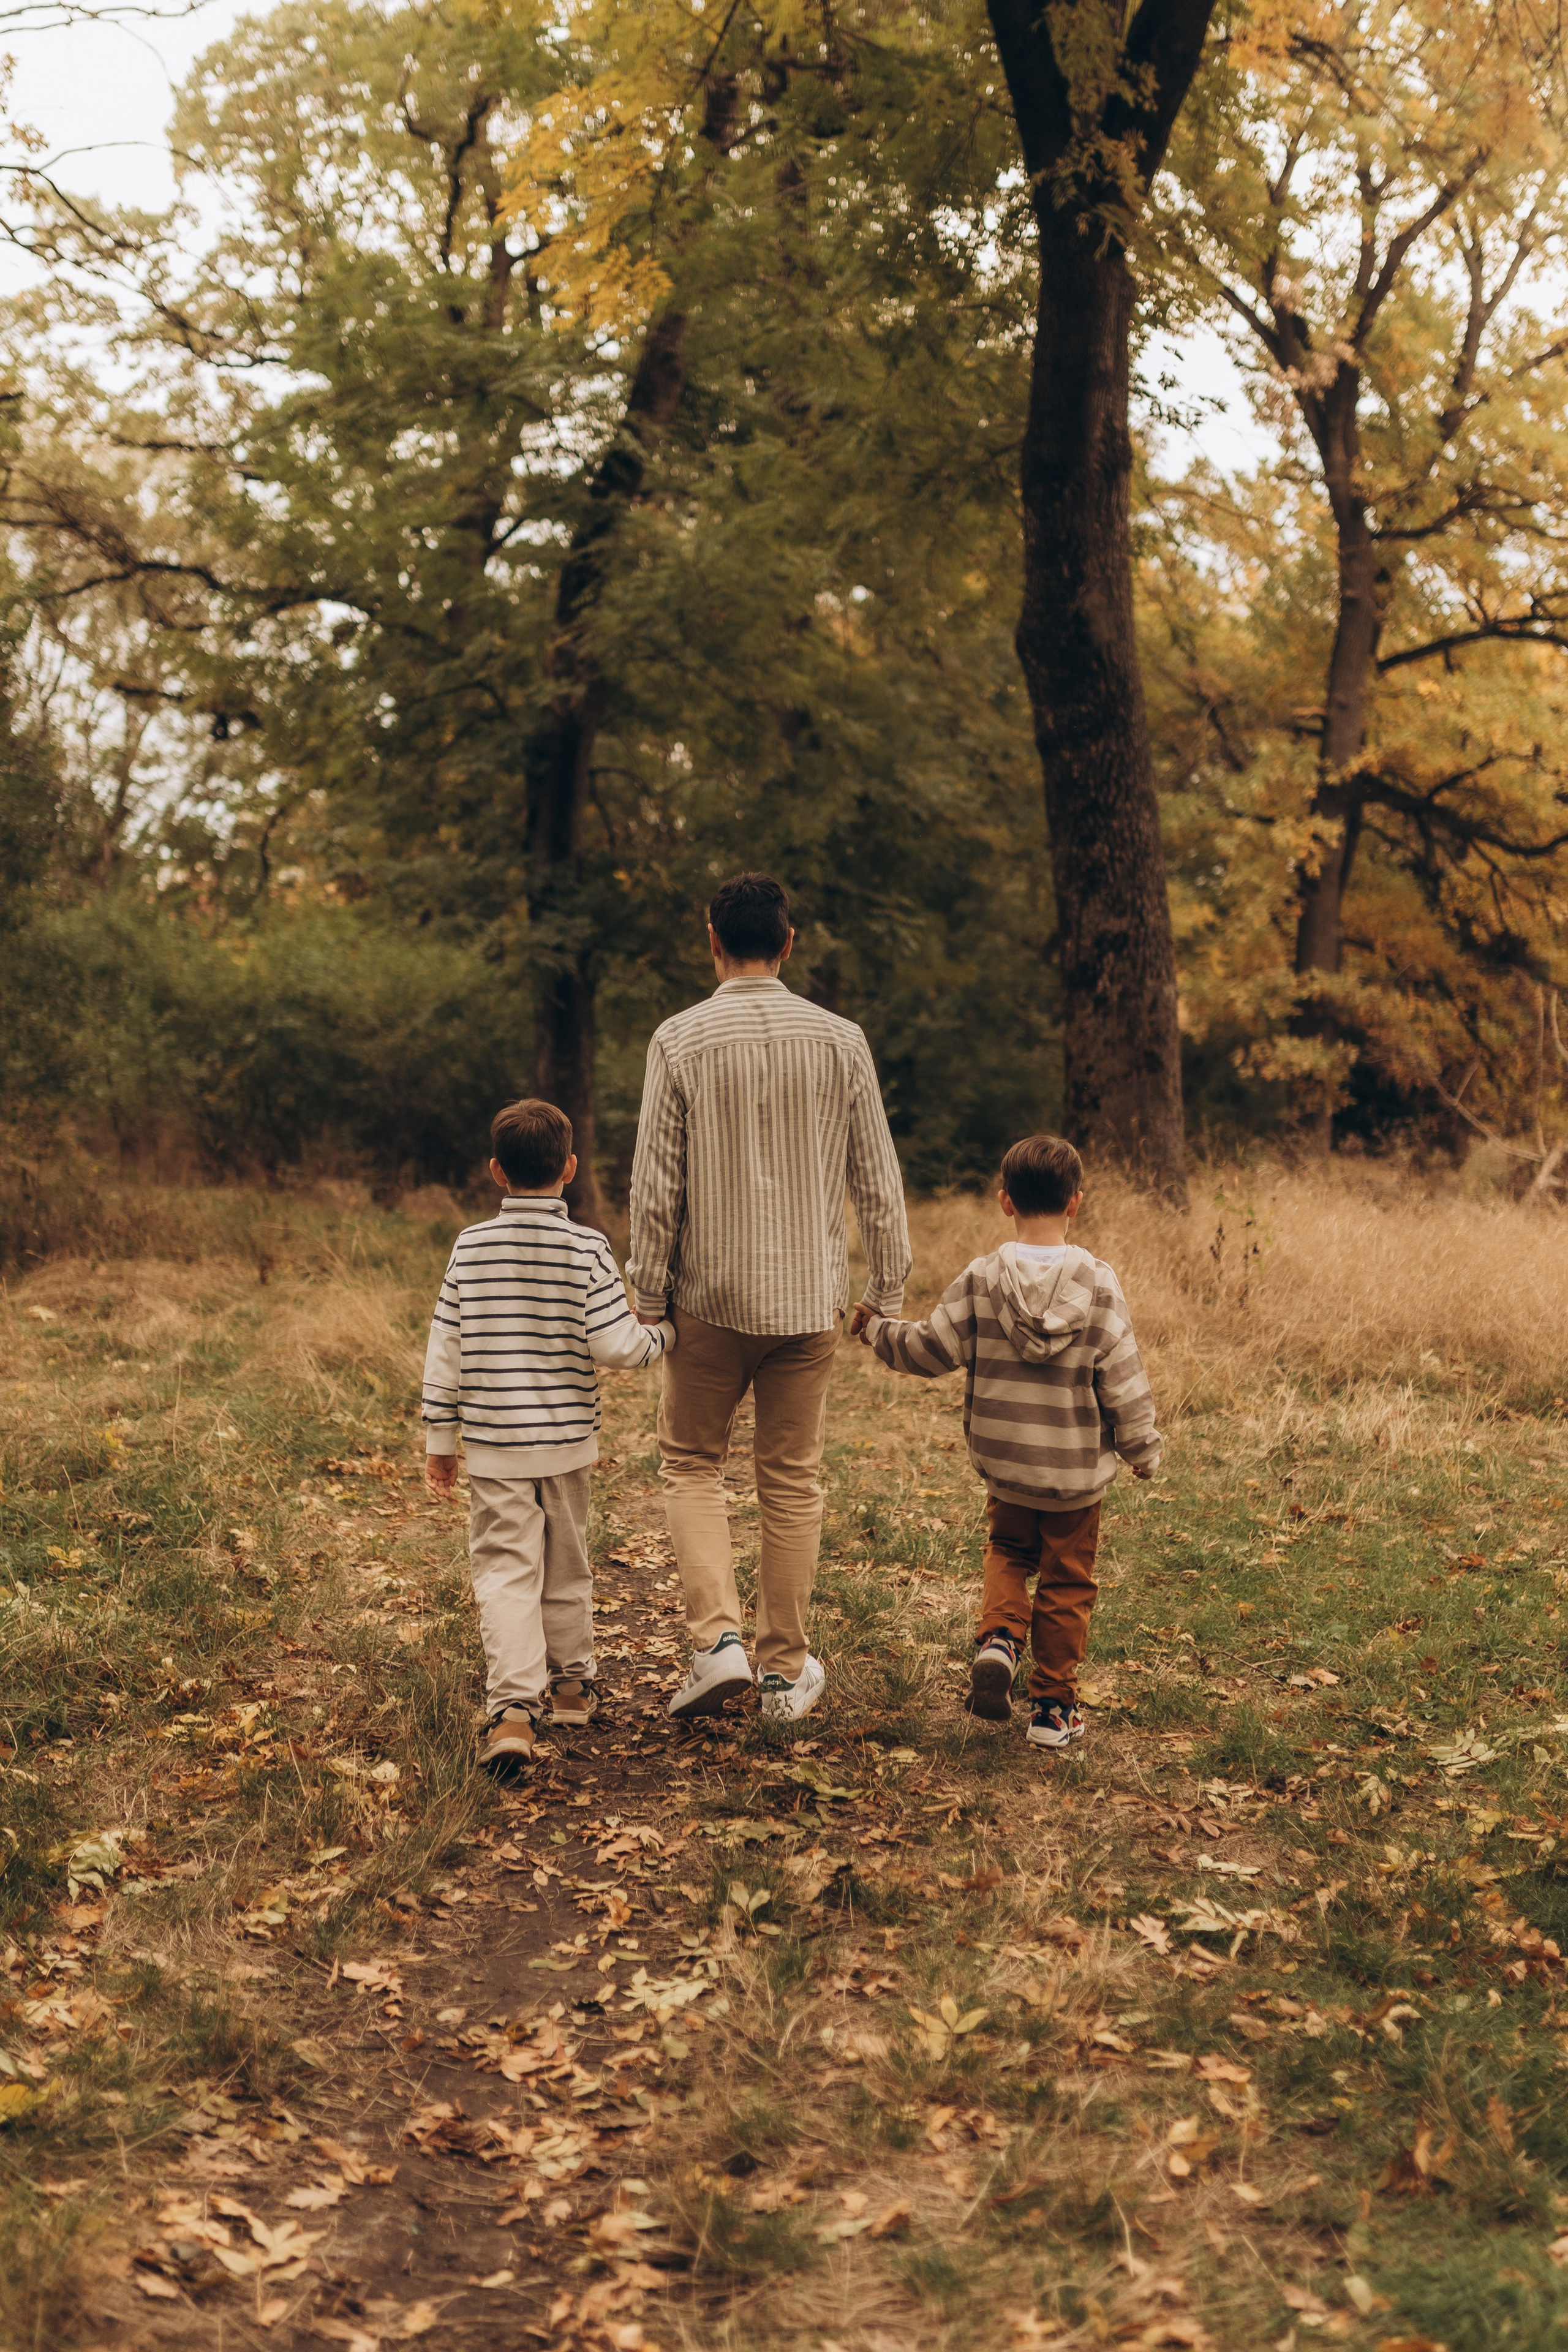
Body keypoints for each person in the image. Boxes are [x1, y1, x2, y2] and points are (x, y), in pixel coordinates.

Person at [628, 871, 911, 1723]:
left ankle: (717, 1644)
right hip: (807, 1302)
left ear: (711, 940)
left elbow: (655, 1186)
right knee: (790, 1479)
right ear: (788, 944)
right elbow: (878, 1179)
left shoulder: (679, 1039)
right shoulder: (840, 1040)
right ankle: (784, 1676)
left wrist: (648, 1296)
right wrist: (884, 1293)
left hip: (706, 1300)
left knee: (690, 1464)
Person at [851, 1134, 1160, 1749]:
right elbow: (1122, 1377)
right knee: (1067, 1582)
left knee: (1010, 1554)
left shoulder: (980, 1279)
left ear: (1003, 1201)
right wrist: (1142, 1449)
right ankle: (1051, 1709)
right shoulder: (1098, 1285)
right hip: (1074, 1477)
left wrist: (877, 1330)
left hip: (1007, 1465)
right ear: (1075, 1203)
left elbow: (928, 1350)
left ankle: (999, 1639)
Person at [423, 1098, 674, 1771]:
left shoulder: (470, 1247)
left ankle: (511, 1712)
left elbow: (444, 1346)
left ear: (496, 1173)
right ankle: (569, 1684)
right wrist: (666, 1335)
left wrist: (441, 1440)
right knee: (567, 1562)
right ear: (569, 1168)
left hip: (495, 1447)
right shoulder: (588, 1247)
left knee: (506, 1572)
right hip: (566, 1445)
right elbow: (618, 1346)